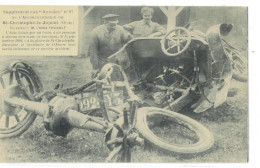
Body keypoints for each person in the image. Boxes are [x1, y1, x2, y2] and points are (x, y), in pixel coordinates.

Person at [88, 14, 133, 78]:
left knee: (119, 80)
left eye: (115, 24)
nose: (114, 27)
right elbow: (93, 51)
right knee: (102, 80)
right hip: (102, 60)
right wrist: (95, 67)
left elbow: (127, 42)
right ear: (105, 23)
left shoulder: (120, 29)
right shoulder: (95, 32)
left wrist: (129, 36)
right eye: (111, 25)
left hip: (117, 60)